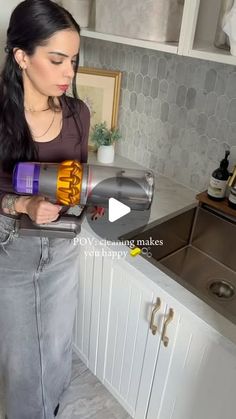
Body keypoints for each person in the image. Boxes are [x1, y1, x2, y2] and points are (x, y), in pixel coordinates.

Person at [0, 1, 90, 418]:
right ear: (22, 56)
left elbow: (79, 181)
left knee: (55, 344)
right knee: (21, 358)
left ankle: (50, 406)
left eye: (72, 60)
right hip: (11, 250)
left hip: (63, 248)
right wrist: (21, 202)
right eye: (56, 60)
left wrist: (96, 201)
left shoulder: (77, 114)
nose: (68, 73)